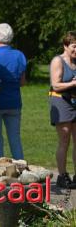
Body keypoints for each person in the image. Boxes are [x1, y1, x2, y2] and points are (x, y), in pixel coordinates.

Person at [0, 23, 26, 160]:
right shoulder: (19, 55)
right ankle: (21, 167)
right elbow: (22, 82)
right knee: (15, 138)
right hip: (14, 102)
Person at [49, 31, 76, 189]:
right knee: (64, 139)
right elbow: (55, 84)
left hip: (74, 100)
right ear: (66, 46)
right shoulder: (58, 61)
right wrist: (73, 84)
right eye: (74, 46)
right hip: (61, 101)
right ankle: (62, 175)